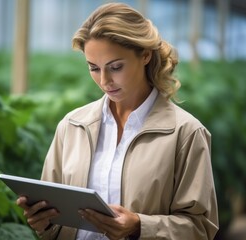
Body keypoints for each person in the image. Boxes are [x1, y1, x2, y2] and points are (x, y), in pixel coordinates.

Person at [17, 2, 219, 240]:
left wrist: (139, 227)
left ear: (145, 55)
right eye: (93, 68)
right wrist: (43, 222)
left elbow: (200, 227)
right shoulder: (72, 126)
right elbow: (53, 219)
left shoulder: (185, 133)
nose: (104, 80)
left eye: (116, 67)